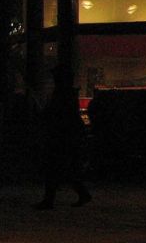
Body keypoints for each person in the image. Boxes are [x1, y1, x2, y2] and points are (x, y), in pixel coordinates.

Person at [33, 66, 91, 210]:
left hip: (61, 137)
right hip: (66, 136)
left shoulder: (62, 95)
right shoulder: (68, 94)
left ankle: (50, 199)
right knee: (66, 168)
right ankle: (81, 193)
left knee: (54, 168)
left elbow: (58, 115)